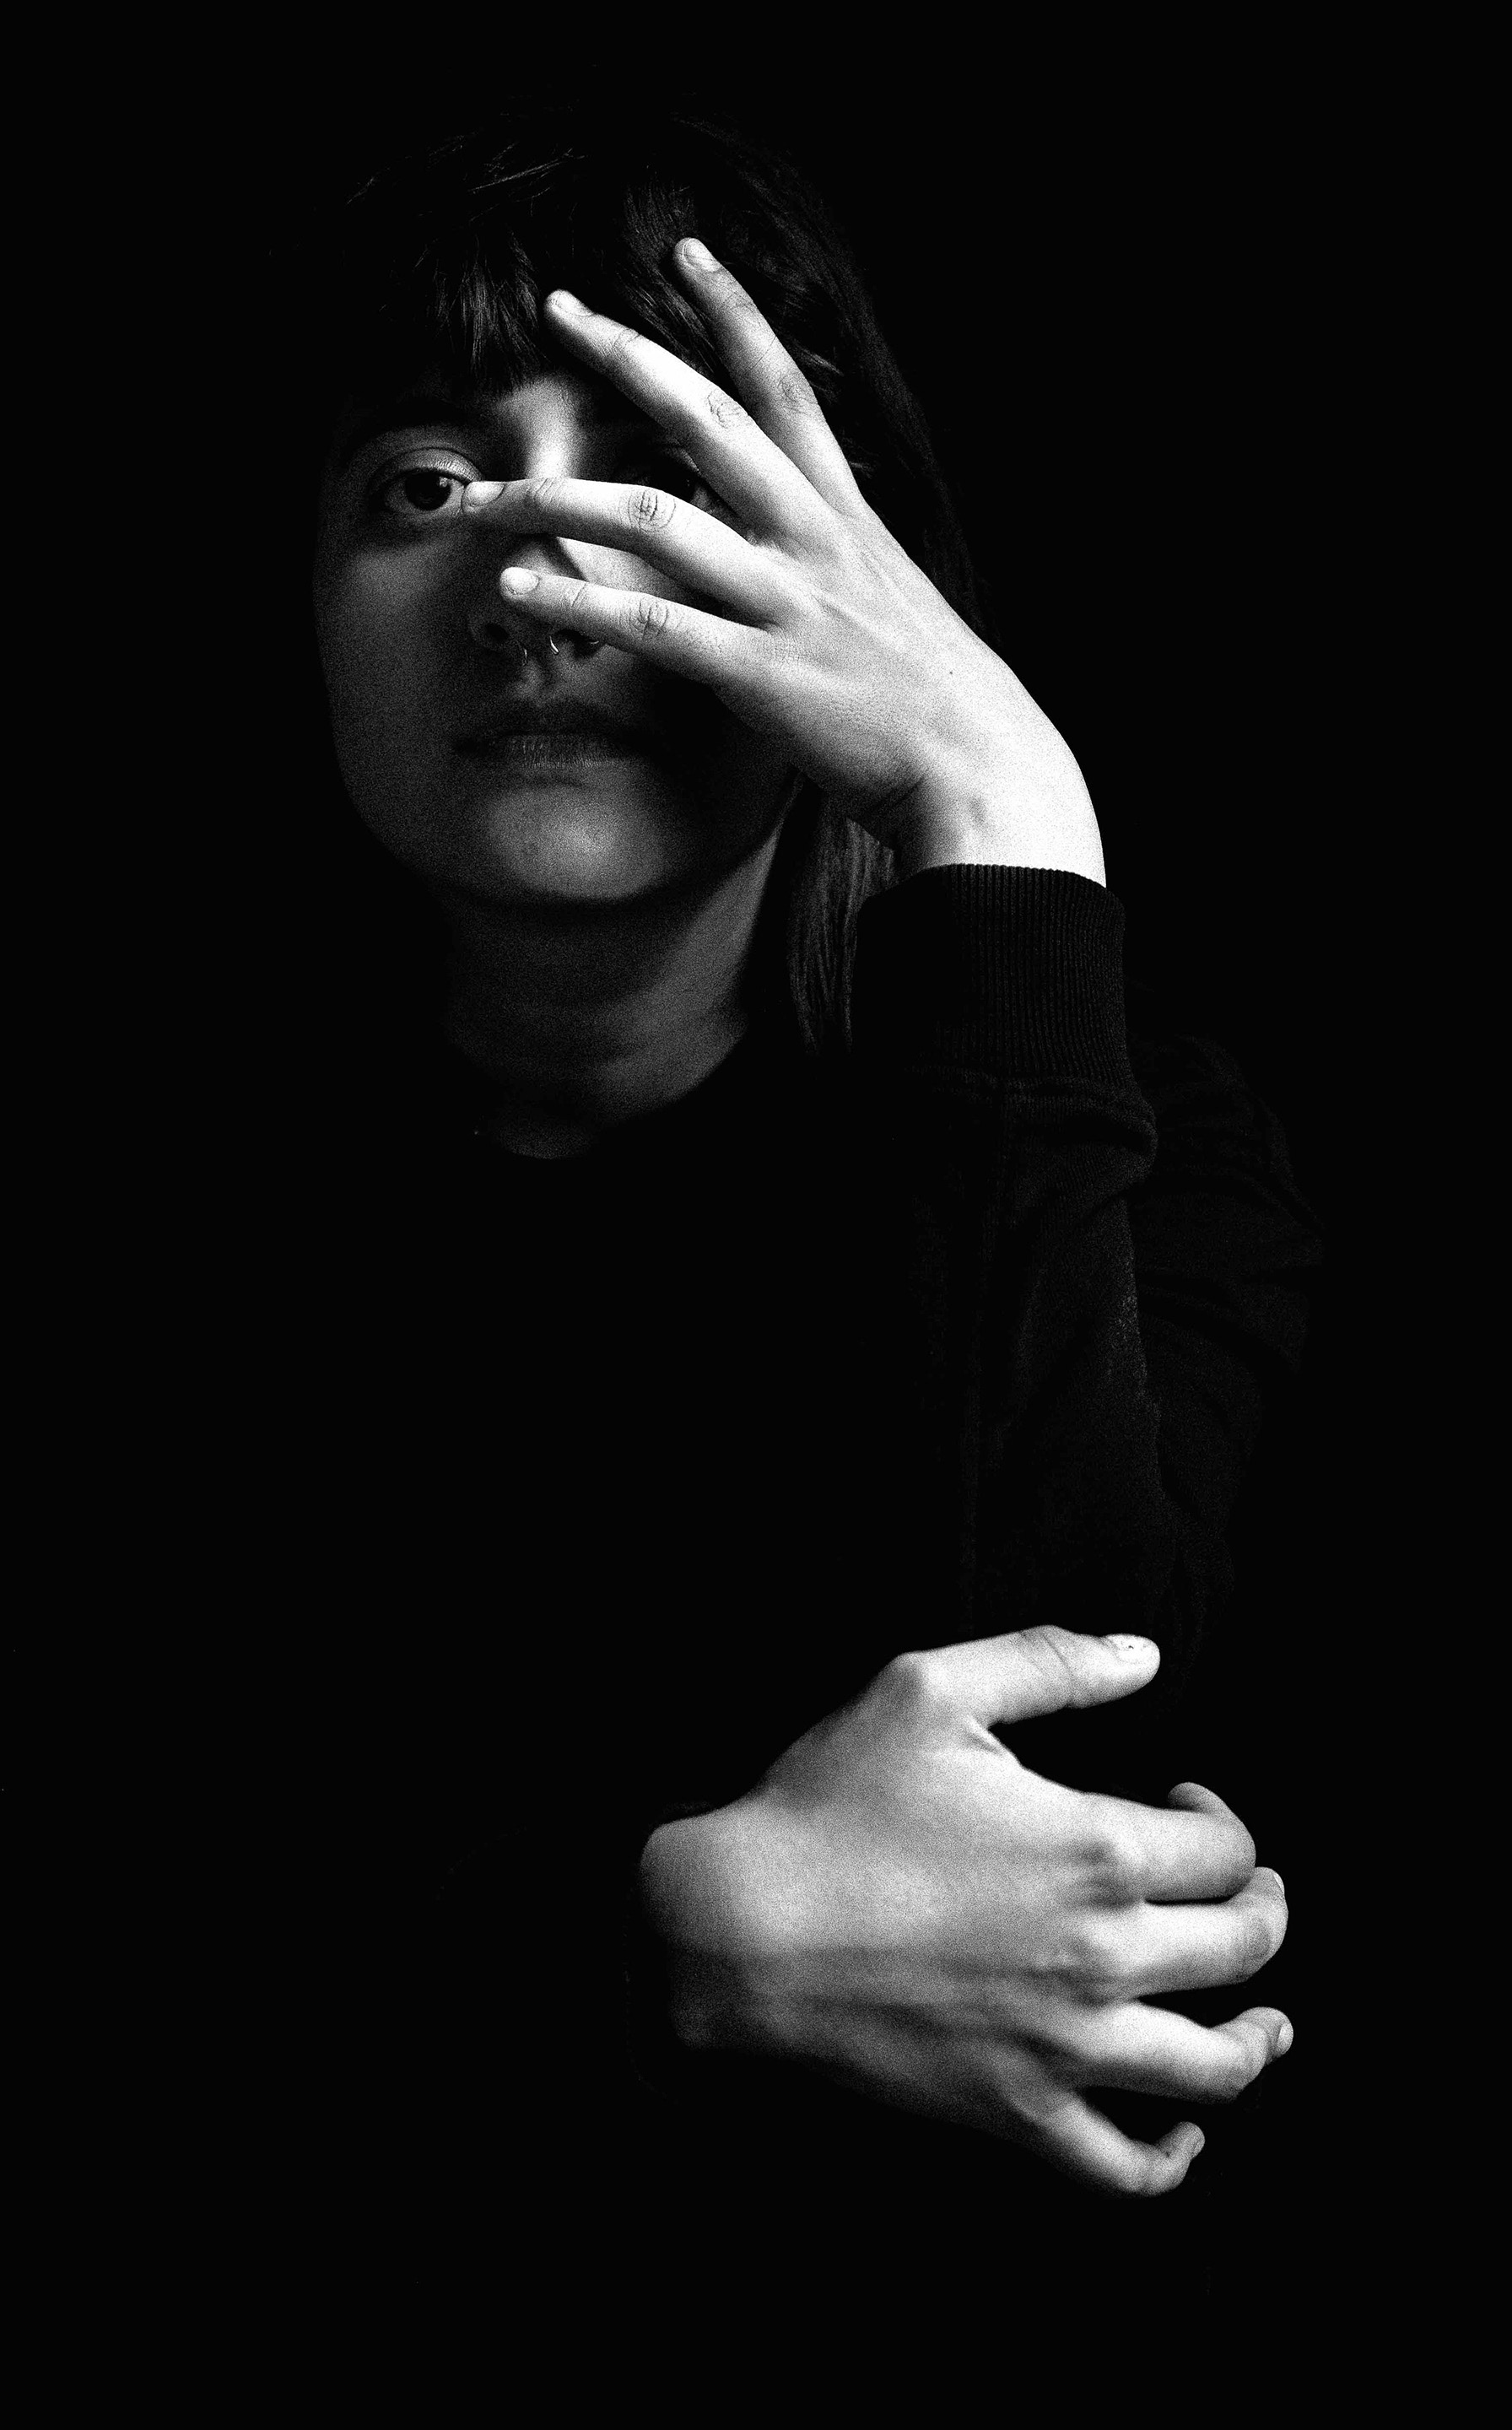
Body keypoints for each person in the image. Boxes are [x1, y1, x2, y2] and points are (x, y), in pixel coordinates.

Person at [157, 105, 1323, 2403]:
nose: (546, 576)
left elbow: (1086, 1872)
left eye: (674, 478)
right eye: (429, 486)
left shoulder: (1159, 1151)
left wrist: (996, 812)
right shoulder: (112, 1215)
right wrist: (684, 1950)